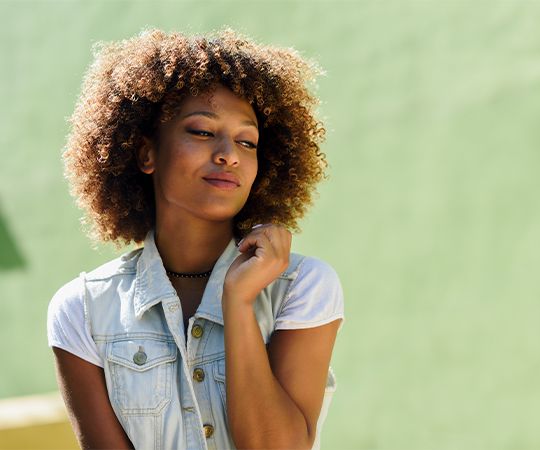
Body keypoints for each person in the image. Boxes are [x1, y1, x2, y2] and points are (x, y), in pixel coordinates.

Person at [46, 28, 344, 450]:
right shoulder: (83, 310)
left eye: (247, 140)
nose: (229, 154)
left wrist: (238, 302)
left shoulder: (303, 287)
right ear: (146, 153)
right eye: (203, 132)